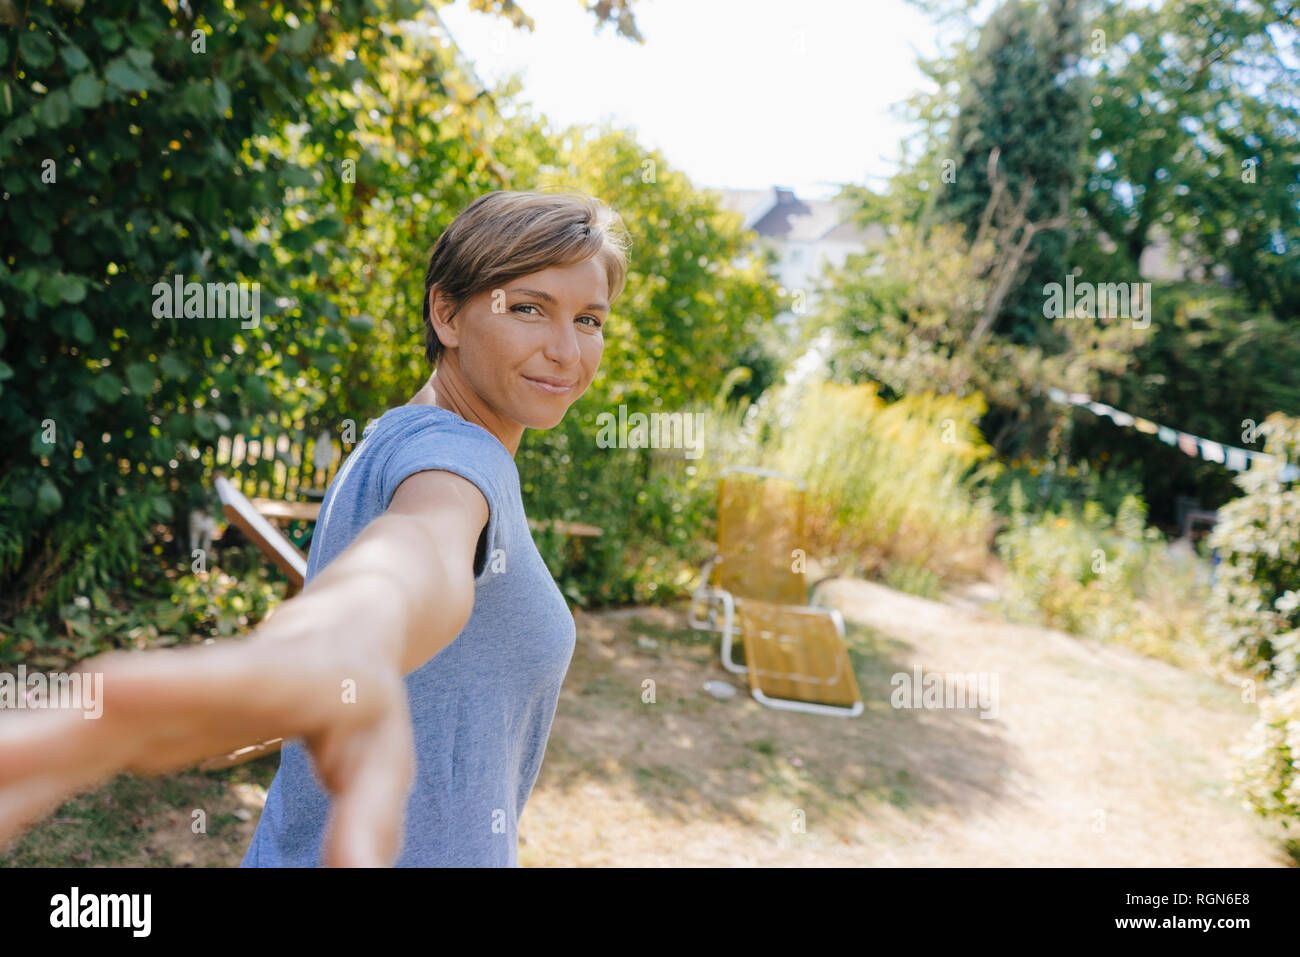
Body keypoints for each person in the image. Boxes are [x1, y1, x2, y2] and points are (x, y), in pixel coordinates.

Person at [0, 188, 631, 867]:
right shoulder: (456, 457)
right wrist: (347, 639)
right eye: (529, 308)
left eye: (588, 319)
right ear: (446, 313)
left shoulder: (395, 437)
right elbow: (418, 549)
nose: (566, 349)